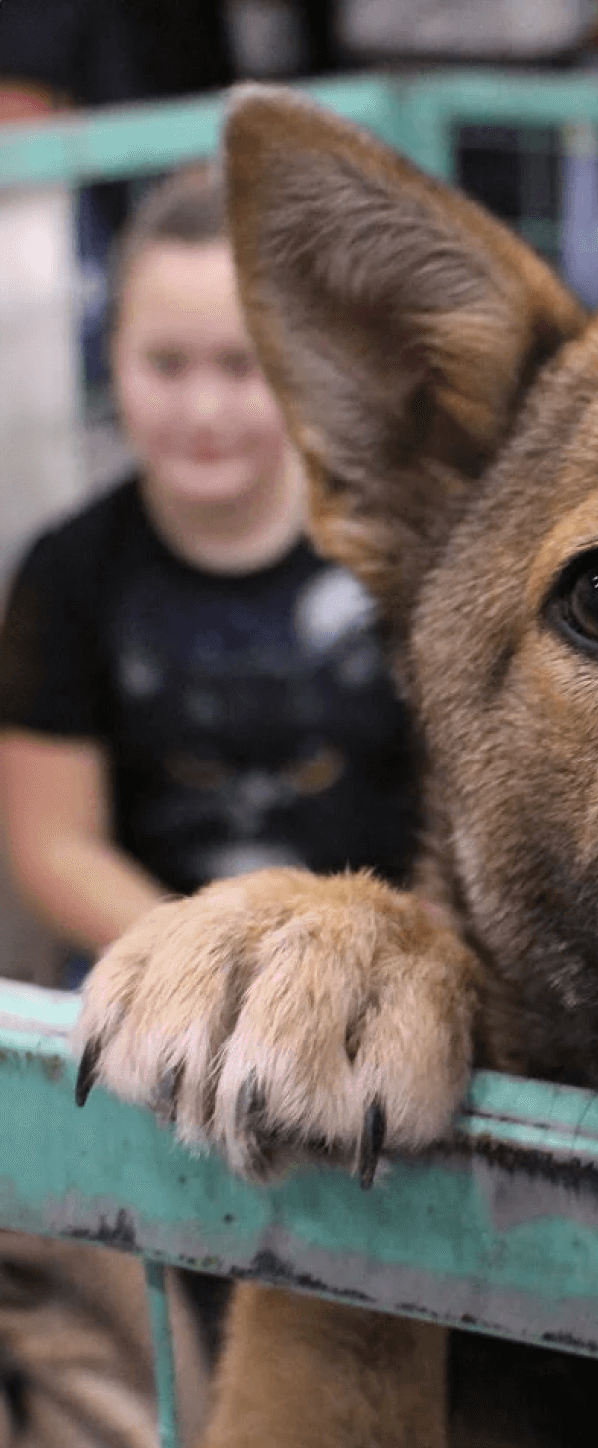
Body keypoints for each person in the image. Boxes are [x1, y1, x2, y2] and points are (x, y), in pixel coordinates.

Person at [0, 164, 420, 964]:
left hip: (374, 959)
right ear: (111, 354)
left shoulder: (398, 552)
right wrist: (209, 964)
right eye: (165, 364)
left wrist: (373, 964)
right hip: (146, 955)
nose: (202, 411)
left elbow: (463, 822)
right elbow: (53, 846)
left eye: (240, 366)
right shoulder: (65, 574)